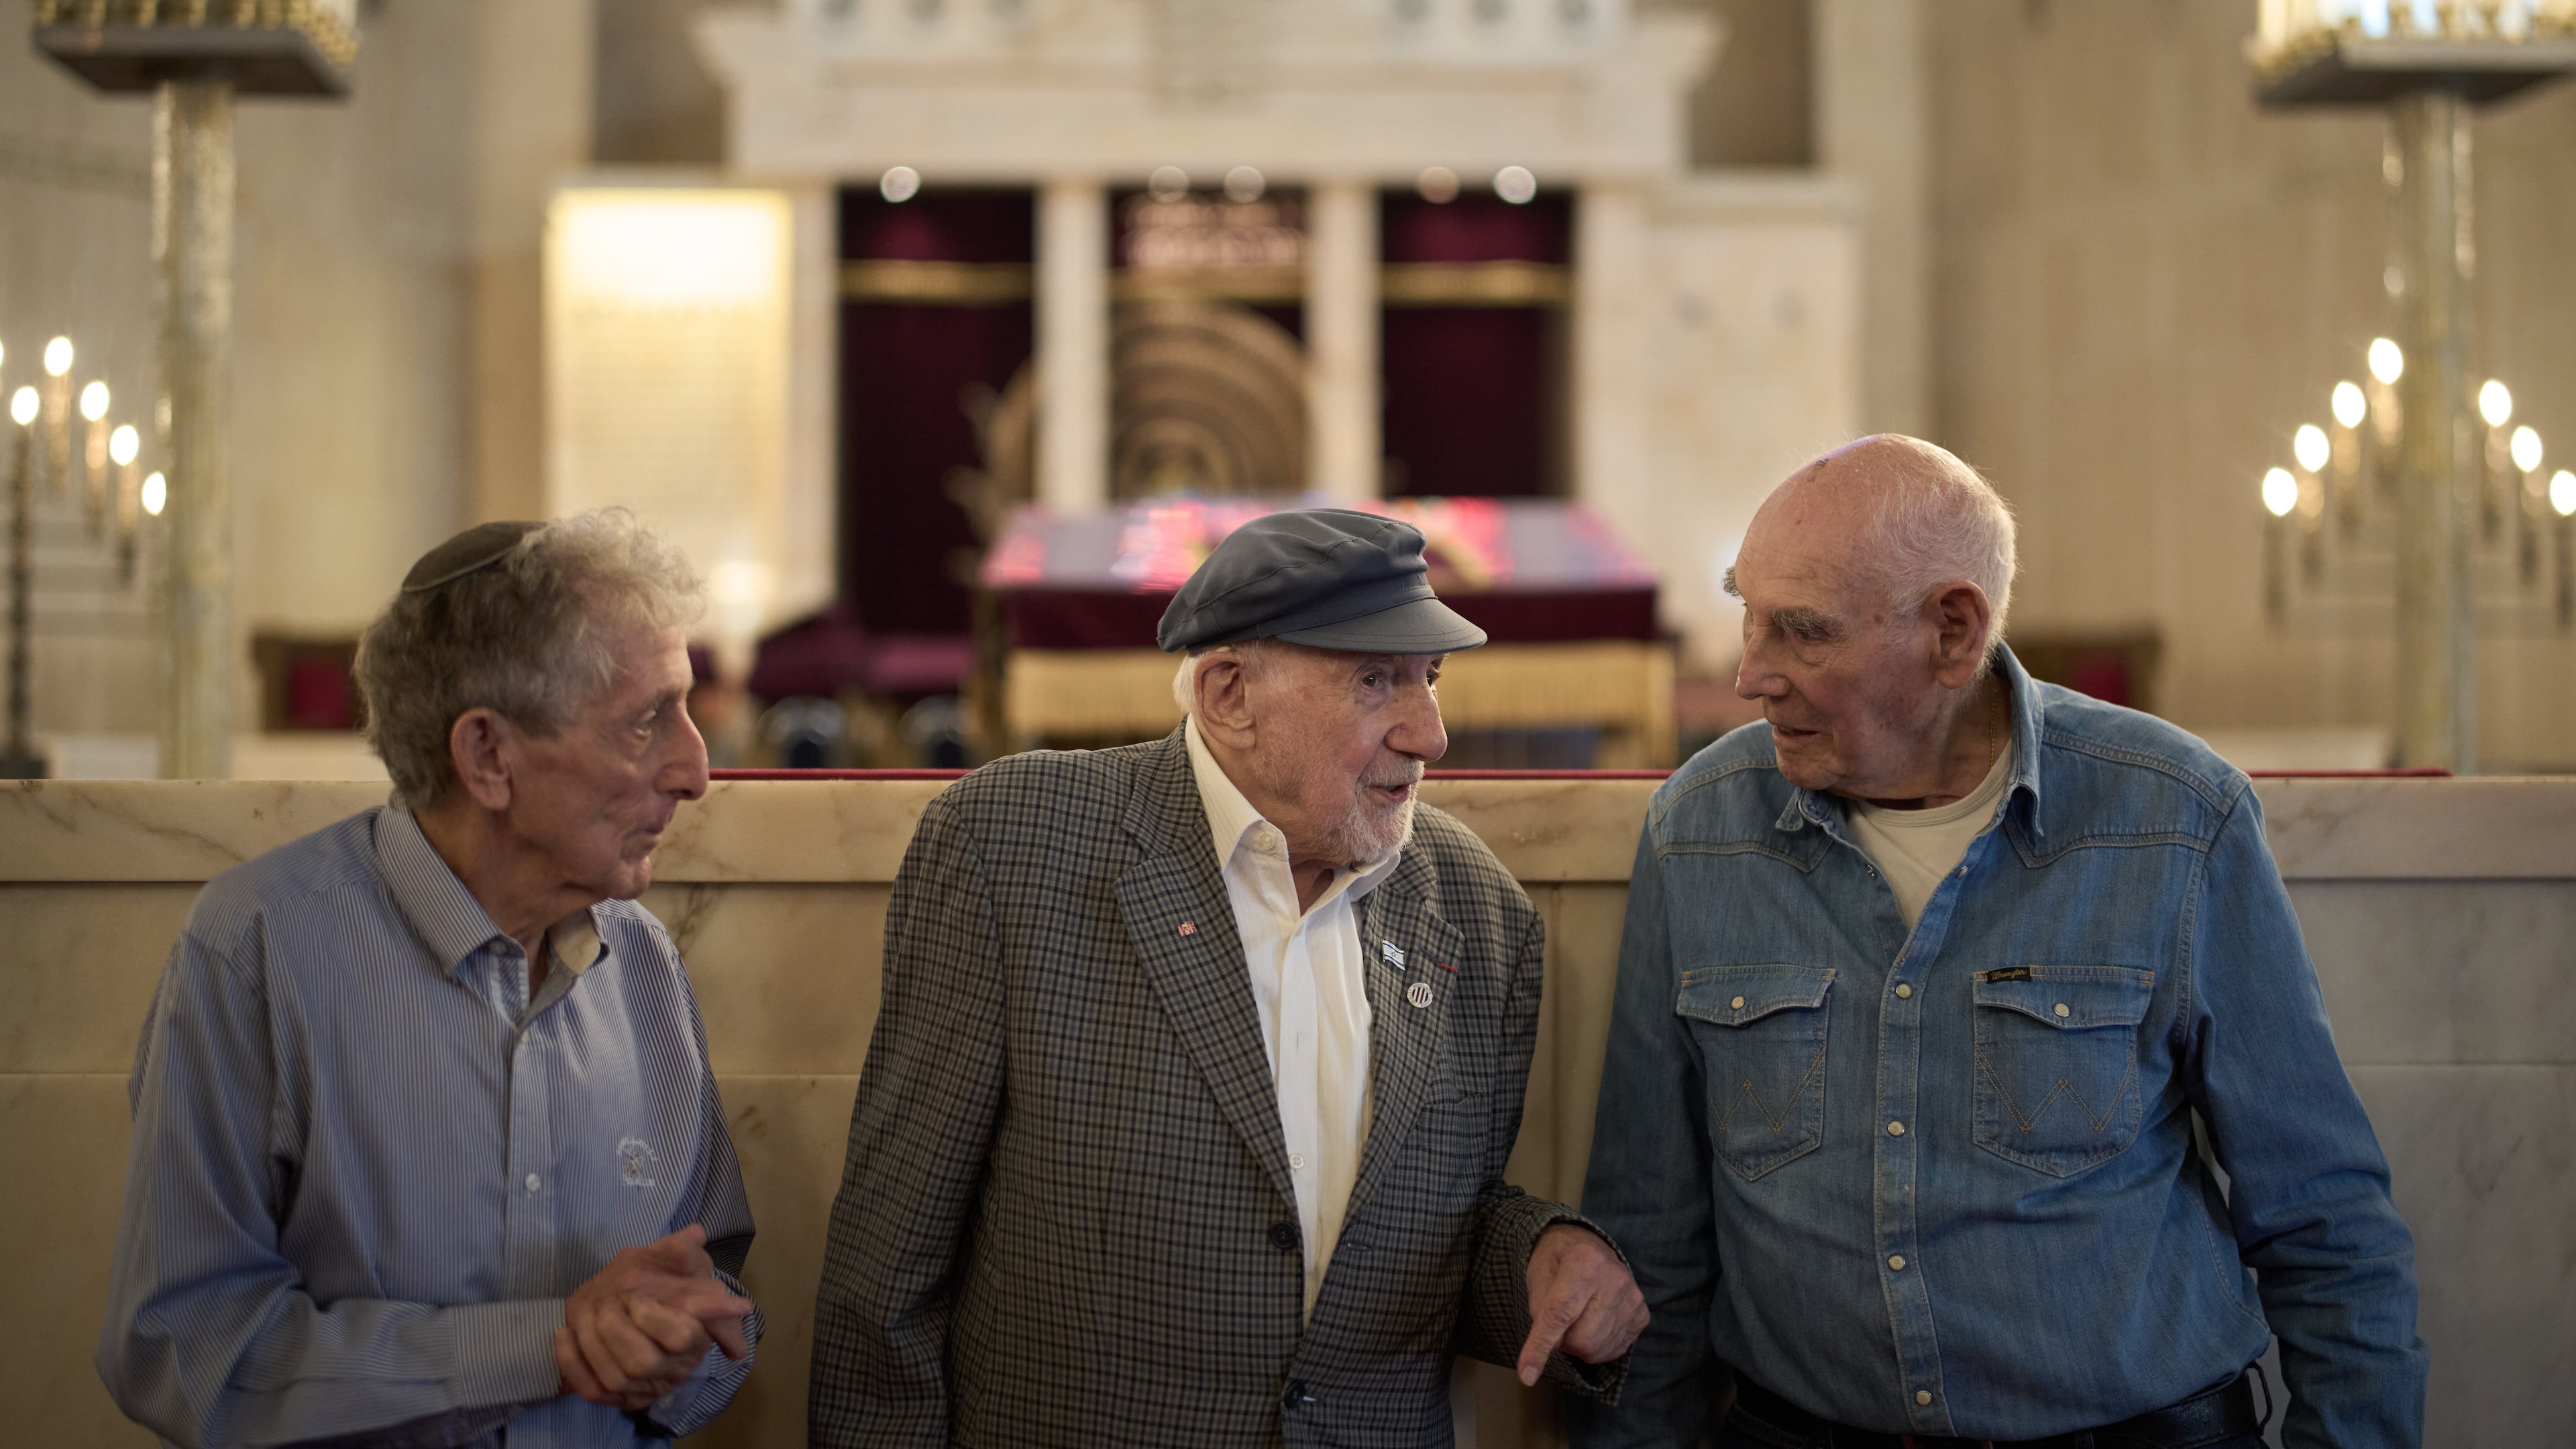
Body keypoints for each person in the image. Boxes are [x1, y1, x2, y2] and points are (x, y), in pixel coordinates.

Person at [1570, 437, 2424, 1449]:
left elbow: (2325, 1224)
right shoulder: (1700, 832)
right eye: (1747, 617)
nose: (1752, 675)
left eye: (1802, 634)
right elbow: (1648, 1249)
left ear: (1953, 630)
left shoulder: (2174, 822)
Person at [810, 508, 1648, 1448]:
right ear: (1229, 695)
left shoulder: (1480, 914)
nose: (1431, 735)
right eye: (1377, 681)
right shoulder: (1015, 847)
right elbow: (888, 1271)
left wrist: (1540, 1259)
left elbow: (1432, 1229)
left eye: (1431, 680)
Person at [96, 512, 761, 1448]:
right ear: (487, 755)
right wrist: (549, 1346)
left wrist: (675, 1343)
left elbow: (722, 1291)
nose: (695, 769)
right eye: (647, 721)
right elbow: (182, 1349)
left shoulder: (645, 965)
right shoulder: (255, 951)